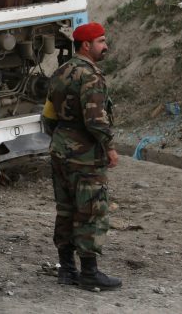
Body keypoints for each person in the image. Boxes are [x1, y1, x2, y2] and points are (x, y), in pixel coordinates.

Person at [42, 22, 122, 291]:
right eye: (101, 41)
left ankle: (66, 270)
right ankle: (89, 272)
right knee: (91, 211)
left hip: (60, 151)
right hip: (85, 156)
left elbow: (48, 116)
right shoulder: (90, 76)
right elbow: (96, 120)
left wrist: (62, 140)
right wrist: (109, 147)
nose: (106, 46)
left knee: (65, 210)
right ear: (86, 45)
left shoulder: (60, 72)